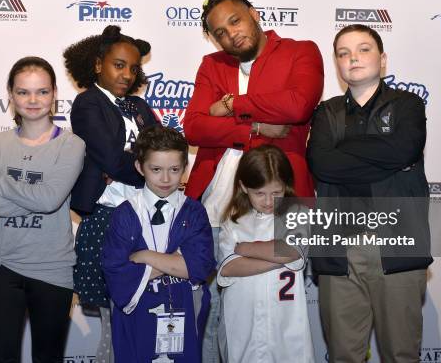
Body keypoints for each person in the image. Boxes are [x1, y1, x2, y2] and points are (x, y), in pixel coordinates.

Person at [183, 0, 323, 362]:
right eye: (220, 32)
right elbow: (194, 127)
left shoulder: (301, 51)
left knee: (281, 314)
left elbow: (297, 104)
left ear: (254, 14)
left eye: (235, 21)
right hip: (213, 209)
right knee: (212, 315)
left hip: (277, 202)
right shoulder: (211, 65)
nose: (231, 35)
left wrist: (230, 105)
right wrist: (252, 128)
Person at [306, 24, 433, 363]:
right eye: (343, 53)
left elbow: (402, 151)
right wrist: (384, 158)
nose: (353, 58)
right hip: (338, 248)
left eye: (363, 49)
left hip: (398, 244)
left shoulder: (408, 104)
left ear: (383, 59)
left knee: (401, 355)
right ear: (337, 64)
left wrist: (343, 153)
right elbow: (322, 165)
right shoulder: (325, 112)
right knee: (344, 356)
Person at [0, 56, 85, 362]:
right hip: (2, 267)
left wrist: (3, 182)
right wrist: (33, 198)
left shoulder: (71, 145)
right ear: (10, 94)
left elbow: (50, 201)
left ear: (54, 93)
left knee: (48, 358)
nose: (33, 100)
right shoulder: (0, 142)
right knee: (1, 357)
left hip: (52, 270)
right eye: (23, 92)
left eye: (42, 92)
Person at [63, 25, 159, 362]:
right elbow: (110, 157)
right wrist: (150, 168)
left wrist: (144, 165)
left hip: (147, 216)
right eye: (119, 65)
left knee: (140, 315)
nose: (127, 74)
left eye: (133, 68)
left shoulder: (139, 106)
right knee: (113, 320)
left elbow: (164, 149)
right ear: (98, 65)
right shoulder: (88, 103)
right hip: (107, 219)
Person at [102, 125, 215, 363]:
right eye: (156, 169)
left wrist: (143, 255)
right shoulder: (125, 213)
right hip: (137, 310)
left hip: (184, 306)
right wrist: (175, 261)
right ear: (139, 167)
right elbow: (116, 271)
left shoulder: (194, 211)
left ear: (185, 168)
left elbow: (199, 266)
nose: (165, 179)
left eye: (174, 169)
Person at [217, 144, 314, 363]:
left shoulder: (298, 213)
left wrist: (245, 249)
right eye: (259, 193)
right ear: (243, 186)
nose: (269, 201)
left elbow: (291, 250)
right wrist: (278, 256)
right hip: (243, 324)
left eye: (276, 193)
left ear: (286, 186)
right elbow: (230, 267)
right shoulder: (233, 220)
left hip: (286, 324)